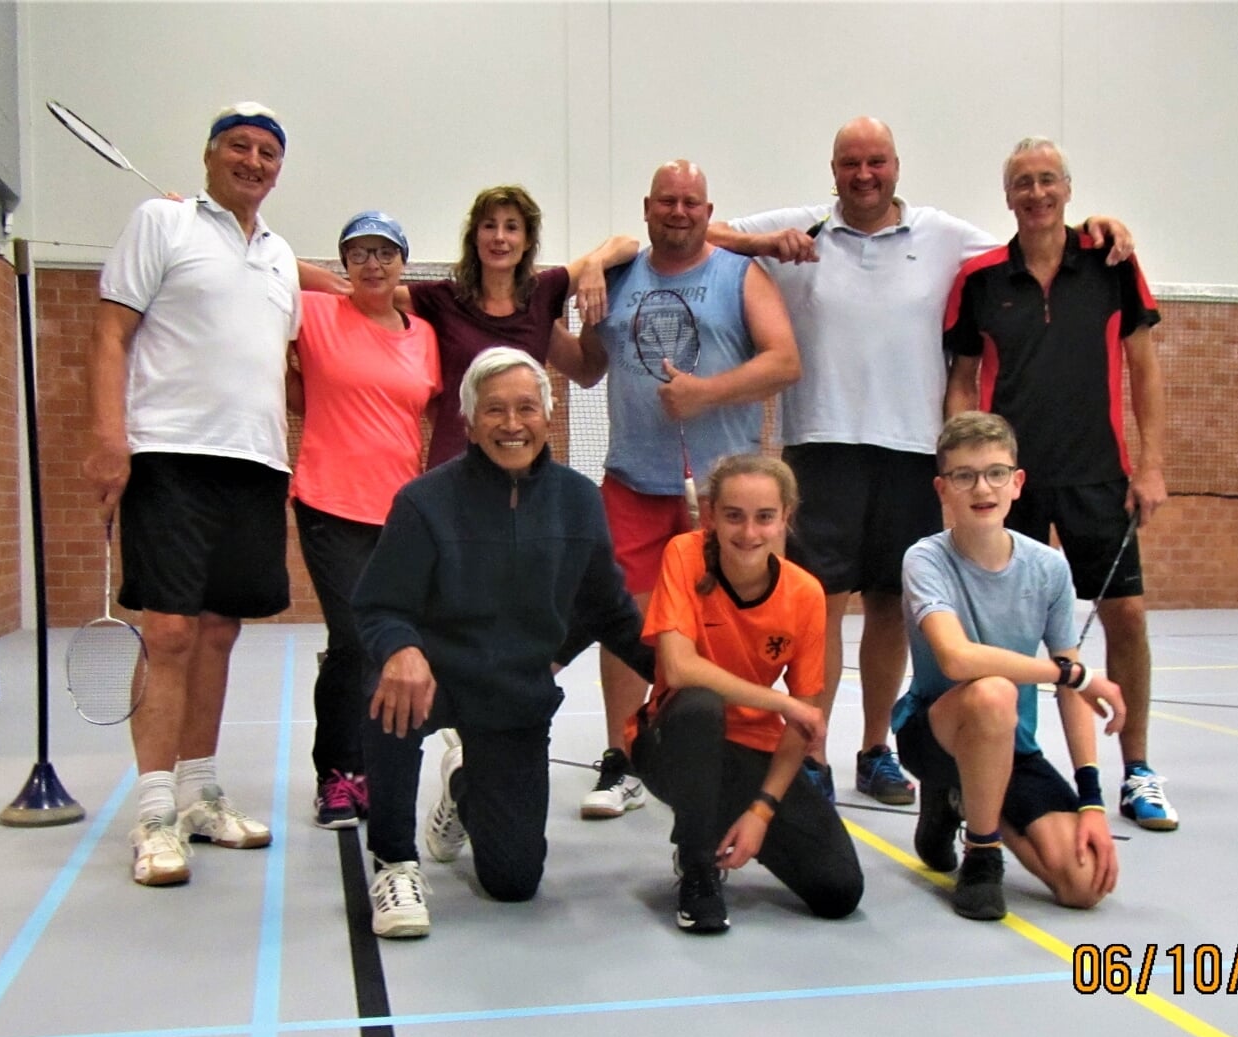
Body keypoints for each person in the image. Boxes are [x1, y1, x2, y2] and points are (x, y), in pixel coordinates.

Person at [706, 118, 1133, 810]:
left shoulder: (943, 236)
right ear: (834, 169)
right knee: (819, 608)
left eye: (876, 161)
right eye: (850, 163)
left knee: (886, 608)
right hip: (821, 443)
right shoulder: (801, 229)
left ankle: (874, 747)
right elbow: (703, 233)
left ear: (896, 166)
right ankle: (808, 747)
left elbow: (1032, 238)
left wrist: (1100, 226)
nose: (864, 174)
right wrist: (764, 244)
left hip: (910, 450)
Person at [351, 346, 655, 938]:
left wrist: (680, 673)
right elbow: (379, 604)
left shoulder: (578, 500)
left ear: (548, 413)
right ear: (469, 421)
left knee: (514, 881)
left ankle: (463, 784)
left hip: (513, 695)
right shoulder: (424, 502)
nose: (511, 424)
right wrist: (401, 649)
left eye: (525, 408)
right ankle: (394, 861)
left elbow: (607, 610)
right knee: (384, 690)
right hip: (433, 680)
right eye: (494, 410)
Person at [86, 102, 299, 887]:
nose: (253, 161)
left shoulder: (277, 258)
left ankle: (199, 791)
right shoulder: (160, 223)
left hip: (256, 463)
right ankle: (151, 812)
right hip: (170, 456)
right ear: (211, 156)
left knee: (218, 633)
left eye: (268, 153)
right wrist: (109, 437)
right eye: (239, 147)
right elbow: (109, 332)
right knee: (170, 631)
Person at [942, 137, 1175, 831]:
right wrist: (963, 473)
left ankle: (1134, 769)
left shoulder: (1111, 264)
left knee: (1124, 617)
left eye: (1047, 180)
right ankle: (1002, 762)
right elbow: (960, 381)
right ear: (1007, 197)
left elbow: (1144, 368)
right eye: (1022, 183)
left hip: (1097, 478)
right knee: (1001, 629)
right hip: (1008, 485)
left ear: (1067, 190)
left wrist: (1150, 464)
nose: (1035, 193)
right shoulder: (980, 280)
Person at [573, 159, 800, 823]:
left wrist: (706, 394)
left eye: (690, 202)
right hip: (634, 479)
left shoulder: (740, 274)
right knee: (626, 624)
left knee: (728, 624)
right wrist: (526, 331)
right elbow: (587, 369)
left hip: (727, 494)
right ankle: (622, 757)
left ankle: (740, 748)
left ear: (708, 211)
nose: (678, 212)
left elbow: (784, 361)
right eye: (666, 202)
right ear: (647, 209)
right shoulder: (617, 276)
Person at [893, 412, 1125, 920]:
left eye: (996, 472)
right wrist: (1074, 674)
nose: (982, 487)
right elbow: (956, 659)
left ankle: (956, 800)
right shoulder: (925, 559)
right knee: (992, 691)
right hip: (935, 731)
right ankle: (982, 855)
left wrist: (1091, 800)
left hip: (1009, 744)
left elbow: (1070, 689)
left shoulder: (1048, 567)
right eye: (964, 475)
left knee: (1083, 884)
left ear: (1017, 483)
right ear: (943, 488)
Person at [628, 454, 863, 934]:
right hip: (673, 741)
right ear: (711, 515)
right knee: (699, 704)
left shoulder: (805, 594)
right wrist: (782, 702)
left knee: (839, 889)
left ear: (786, 518)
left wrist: (761, 811)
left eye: (765, 517)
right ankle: (697, 870)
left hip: (750, 748)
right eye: (734, 515)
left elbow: (802, 725)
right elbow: (678, 665)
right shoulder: (684, 554)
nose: (749, 532)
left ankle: (717, 819)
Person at [296, 185, 639, 465]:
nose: (499, 237)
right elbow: (363, 292)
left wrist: (595, 264)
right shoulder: (443, 299)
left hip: (518, 463)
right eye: (489, 225)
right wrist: (280, 262)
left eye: (511, 227)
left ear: (527, 241)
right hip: (454, 464)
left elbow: (628, 244)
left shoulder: (544, 292)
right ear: (475, 237)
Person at [289, 211, 439, 830]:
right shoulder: (317, 314)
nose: (372, 264)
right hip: (327, 501)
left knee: (385, 645)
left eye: (384, 252)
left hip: (400, 512)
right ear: (343, 263)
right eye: (359, 253)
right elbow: (270, 259)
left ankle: (374, 767)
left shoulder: (424, 335)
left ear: (404, 262)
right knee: (354, 637)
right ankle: (337, 774)